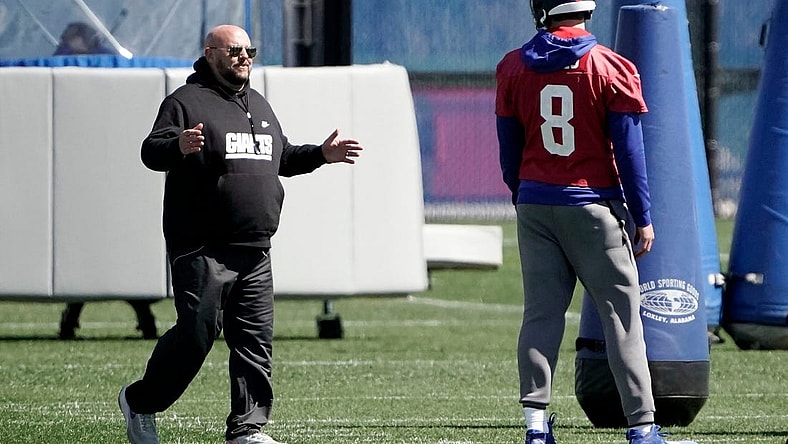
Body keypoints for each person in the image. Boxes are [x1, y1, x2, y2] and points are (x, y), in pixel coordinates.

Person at [117, 24, 362, 444]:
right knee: (196, 336)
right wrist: (178, 145)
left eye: (250, 49)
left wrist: (321, 155)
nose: (244, 56)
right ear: (210, 53)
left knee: (254, 341)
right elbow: (150, 150)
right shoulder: (185, 101)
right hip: (202, 245)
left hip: (255, 248)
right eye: (234, 50)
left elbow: (280, 156)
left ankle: (247, 429)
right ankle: (140, 401)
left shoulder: (260, 104)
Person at [495, 1, 696, 444]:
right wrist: (643, 215)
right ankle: (642, 426)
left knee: (541, 315)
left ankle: (534, 426)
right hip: (592, 206)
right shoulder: (609, 66)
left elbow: (509, 150)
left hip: (534, 202)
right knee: (622, 318)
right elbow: (630, 152)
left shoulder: (511, 66)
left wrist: (522, 195)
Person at [54, 21, 158, 341]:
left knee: (123, 262)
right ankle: (71, 319)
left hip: (115, 189)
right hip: (88, 190)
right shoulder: (63, 71)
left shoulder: (113, 74)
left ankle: (145, 319)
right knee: (87, 264)